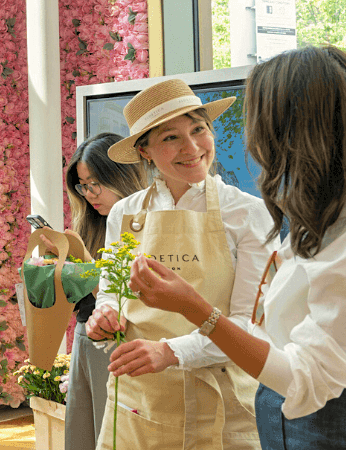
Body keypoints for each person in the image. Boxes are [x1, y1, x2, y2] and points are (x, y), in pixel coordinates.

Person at [127, 46, 346, 450]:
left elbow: (304, 379)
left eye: (257, 120)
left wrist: (194, 310)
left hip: (338, 429)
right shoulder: (335, 212)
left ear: (292, 127)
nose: (252, 139)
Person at [84, 78, 275, 449]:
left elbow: (249, 329)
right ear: (145, 151)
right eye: (171, 137)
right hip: (141, 402)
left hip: (222, 398)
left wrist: (170, 351)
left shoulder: (249, 214)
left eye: (198, 129)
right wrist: (104, 314)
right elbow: (112, 290)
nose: (192, 148)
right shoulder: (125, 213)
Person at [59, 133, 146, 450]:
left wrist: (82, 261)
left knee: (112, 434)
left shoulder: (142, 224)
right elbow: (76, 301)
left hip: (119, 343)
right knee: (82, 434)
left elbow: (127, 296)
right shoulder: (93, 222)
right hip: (84, 339)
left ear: (121, 175)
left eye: (95, 182)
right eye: (83, 184)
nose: (89, 193)